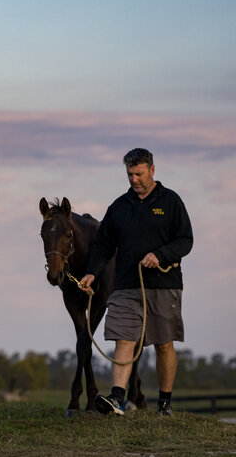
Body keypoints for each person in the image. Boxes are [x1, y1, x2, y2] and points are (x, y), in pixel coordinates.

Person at [78, 148, 193, 417]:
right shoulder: (118, 207)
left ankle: (165, 403)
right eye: (130, 174)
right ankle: (117, 398)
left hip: (164, 285)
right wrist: (92, 272)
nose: (134, 179)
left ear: (152, 170)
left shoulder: (171, 201)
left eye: (139, 173)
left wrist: (160, 254)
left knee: (164, 344)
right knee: (123, 339)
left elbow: (185, 240)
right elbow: (102, 246)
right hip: (126, 285)